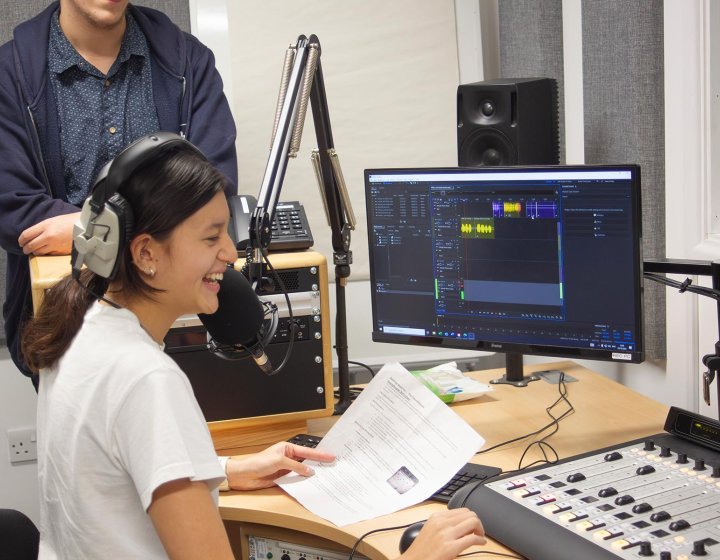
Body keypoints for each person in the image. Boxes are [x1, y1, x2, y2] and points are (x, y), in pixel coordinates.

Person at [20, 135, 484, 559]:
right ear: (145, 254)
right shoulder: (146, 379)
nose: (230, 252)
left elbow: (109, 477)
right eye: (210, 236)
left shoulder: (80, 325)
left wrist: (221, 469)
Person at [0, 0, 237, 384]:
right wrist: (115, 227)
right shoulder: (9, 74)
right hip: (67, 324)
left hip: (178, 319)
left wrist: (85, 229)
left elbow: (211, 189)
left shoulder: (188, 62)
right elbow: (12, 206)